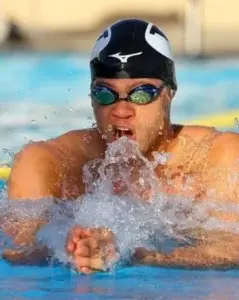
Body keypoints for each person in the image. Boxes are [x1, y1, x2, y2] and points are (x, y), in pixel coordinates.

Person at [4, 18, 239, 274]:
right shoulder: (50, 162)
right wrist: (70, 248)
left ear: (169, 93)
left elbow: (230, 247)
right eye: (105, 93)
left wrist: (134, 253)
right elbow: (18, 251)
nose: (121, 111)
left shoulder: (216, 156)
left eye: (142, 93)